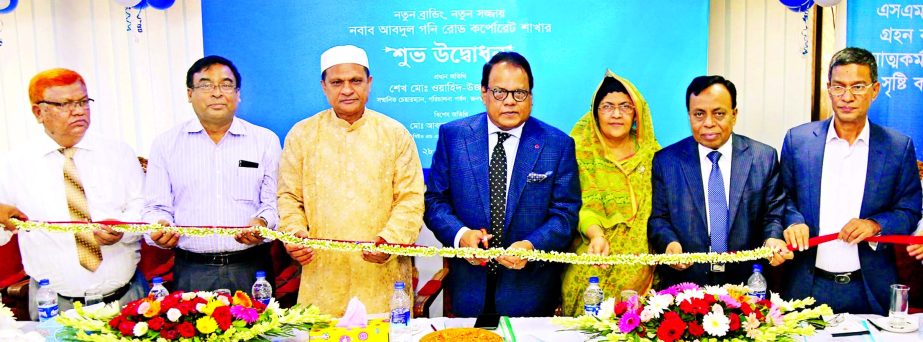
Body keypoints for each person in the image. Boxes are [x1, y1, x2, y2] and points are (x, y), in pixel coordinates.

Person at [424, 51, 581, 317]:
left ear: (531, 98)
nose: (509, 101)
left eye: (519, 93)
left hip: (530, 289)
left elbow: (565, 214)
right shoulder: (454, 136)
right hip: (468, 285)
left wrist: (531, 246)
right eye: (499, 92)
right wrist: (461, 236)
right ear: (483, 93)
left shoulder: (557, 144)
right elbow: (435, 201)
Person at [278, 45, 424, 316]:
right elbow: (289, 197)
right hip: (323, 276)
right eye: (337, 82)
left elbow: (411, 199)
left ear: (369, 83)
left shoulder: (394, 134)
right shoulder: (302, 135)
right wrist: (294, 235)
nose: (347, 89)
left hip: (380, 274)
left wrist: (390, 240)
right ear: (324, 87)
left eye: (355, 81)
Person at [781, 47, 922, 315]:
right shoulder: (797, 141)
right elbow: (782, 200)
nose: (847, 97)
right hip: (807, 285)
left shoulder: (897, 147)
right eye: (839, 87)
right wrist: (794, 222)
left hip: (870, 287)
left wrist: (875, 224)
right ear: (828, 89)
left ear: (875, 89)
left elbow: (909, 210)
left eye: (858, 87)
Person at [0, 68, 147, 319]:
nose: (78, 111)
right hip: (55, 306)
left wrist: (122, 229)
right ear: (38, 112)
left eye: (83, 101)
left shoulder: (118, 153)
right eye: (64, 104)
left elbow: (144, 209)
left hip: (126, 298)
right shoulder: (14, 164)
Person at [142, 56, 281, 293]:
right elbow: (155, 207)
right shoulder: (166, 144)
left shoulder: (265, 141)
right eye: (206, 85)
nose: (217, 93)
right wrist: (158, 228)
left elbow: (273, 203)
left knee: (262, 331)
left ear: (238, 94)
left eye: (226, 85)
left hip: (252, 270)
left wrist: (262, 223)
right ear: (189, 93)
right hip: (192, 270)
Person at [647, 75, 790, 288]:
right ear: (689, 116)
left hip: (747, 284)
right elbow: (659, 218)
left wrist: (772, 239)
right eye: (699, 114)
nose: (708, 123)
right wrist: (670, 244)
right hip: (685, 284)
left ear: (734, 115)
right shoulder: (667, 161)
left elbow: (773, 215)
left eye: (719, 114)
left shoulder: (763, 157)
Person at [560, 71, 660, 316]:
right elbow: (577, 205)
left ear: (637, 113)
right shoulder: (578, 152)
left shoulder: (655, 155)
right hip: (592, 262)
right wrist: (596, 235)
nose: (617, 114)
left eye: (625, 106)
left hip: (642, 270)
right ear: (595, 113)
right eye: (608, 107)